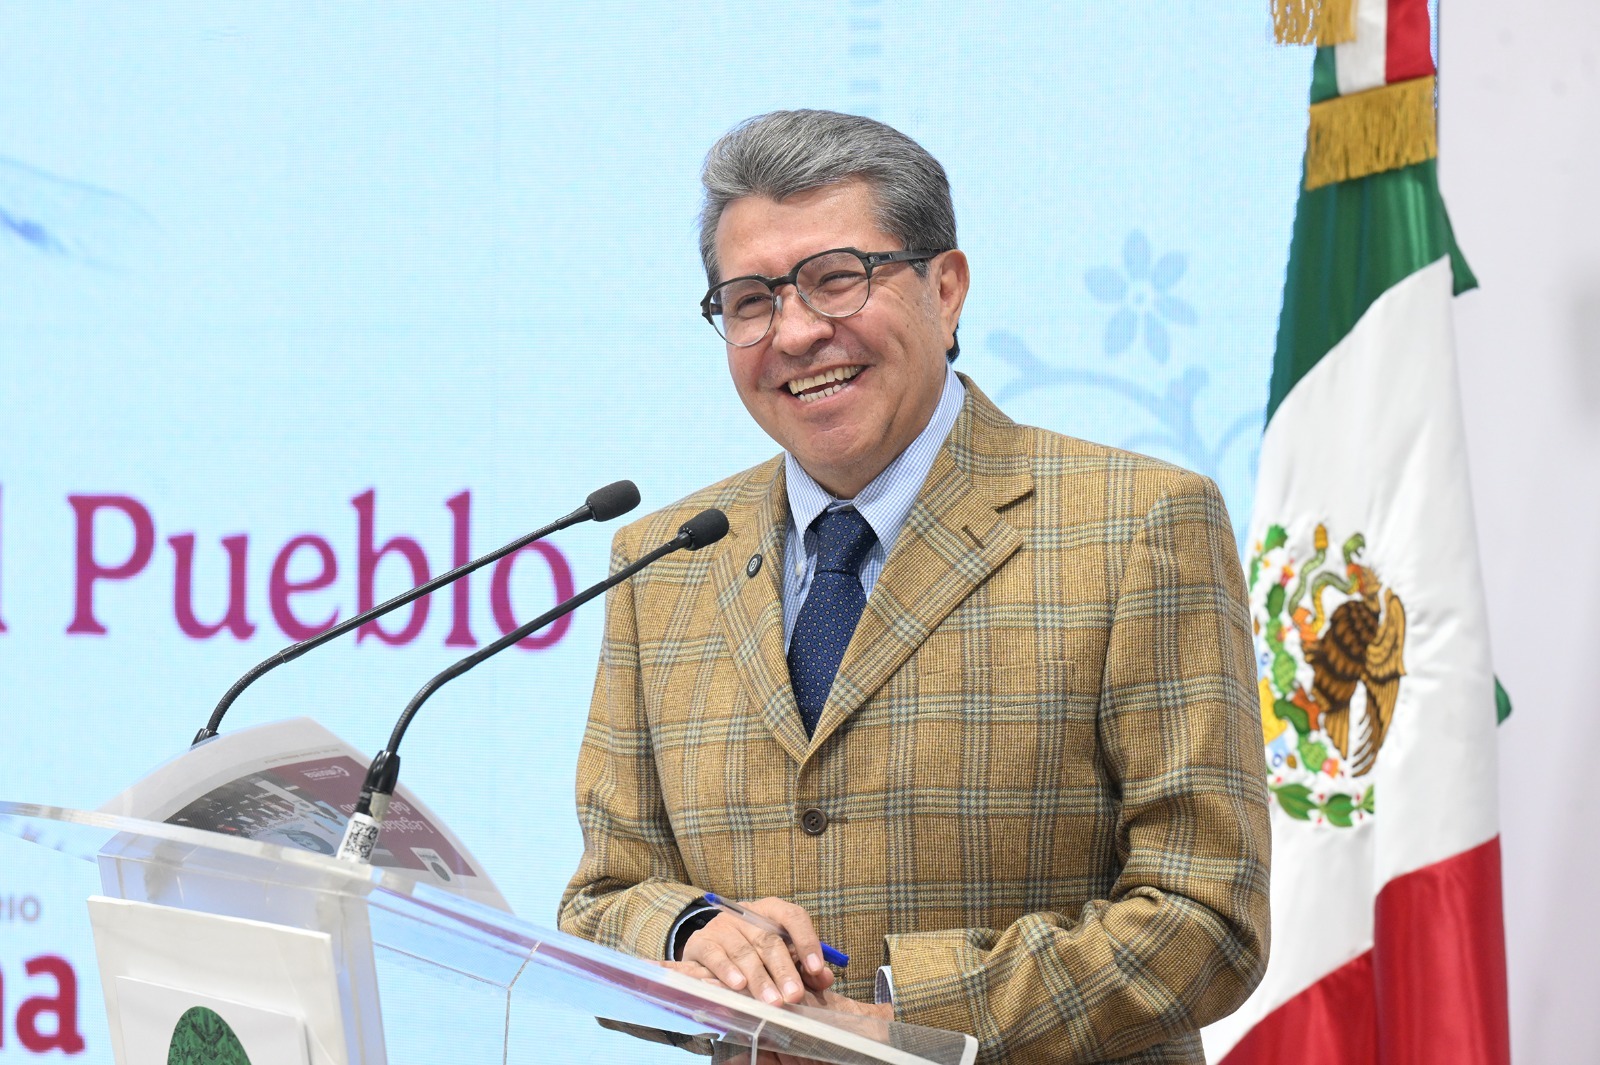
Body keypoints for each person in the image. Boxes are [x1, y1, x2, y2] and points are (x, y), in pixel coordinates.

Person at [558, 109, 1269, 1063]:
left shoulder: (1138, 524)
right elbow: (603, 898)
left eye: (836, 279)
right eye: (750, 300)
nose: (797, 332)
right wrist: (691, 933)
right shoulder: (667, 560)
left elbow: (1206, 915)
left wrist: (903, 1018)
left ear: (947, 288)